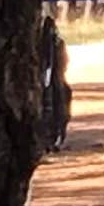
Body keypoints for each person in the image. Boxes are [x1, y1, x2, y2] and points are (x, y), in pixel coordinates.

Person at [37, 11, 72, 154]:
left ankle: (54, 137)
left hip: (55, 79)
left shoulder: (56, 44)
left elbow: (63, 62)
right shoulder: (49, 45)